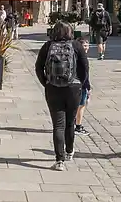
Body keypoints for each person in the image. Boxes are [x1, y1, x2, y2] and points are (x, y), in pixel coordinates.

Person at [35, 21, 89, 171]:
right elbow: (85, 67)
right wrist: (81, 82)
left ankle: (59, 161)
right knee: (70, 122)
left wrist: (46, 82)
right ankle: (70, 151)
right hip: (74, 88)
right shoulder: (76, 46)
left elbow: (38, 67)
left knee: (58, 125)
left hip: (53, 88)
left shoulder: (48, 46)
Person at [74, 37, 92, 136]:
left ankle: (74, 122)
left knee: (77, 106)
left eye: (87, 45)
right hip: (81, 85)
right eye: (84, 46)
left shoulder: (75, 56)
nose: (86, 48)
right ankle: (78, 126)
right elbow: (85, 74)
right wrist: (88, 87)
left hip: (77, 84)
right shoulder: (82, 58)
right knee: (81, 106)